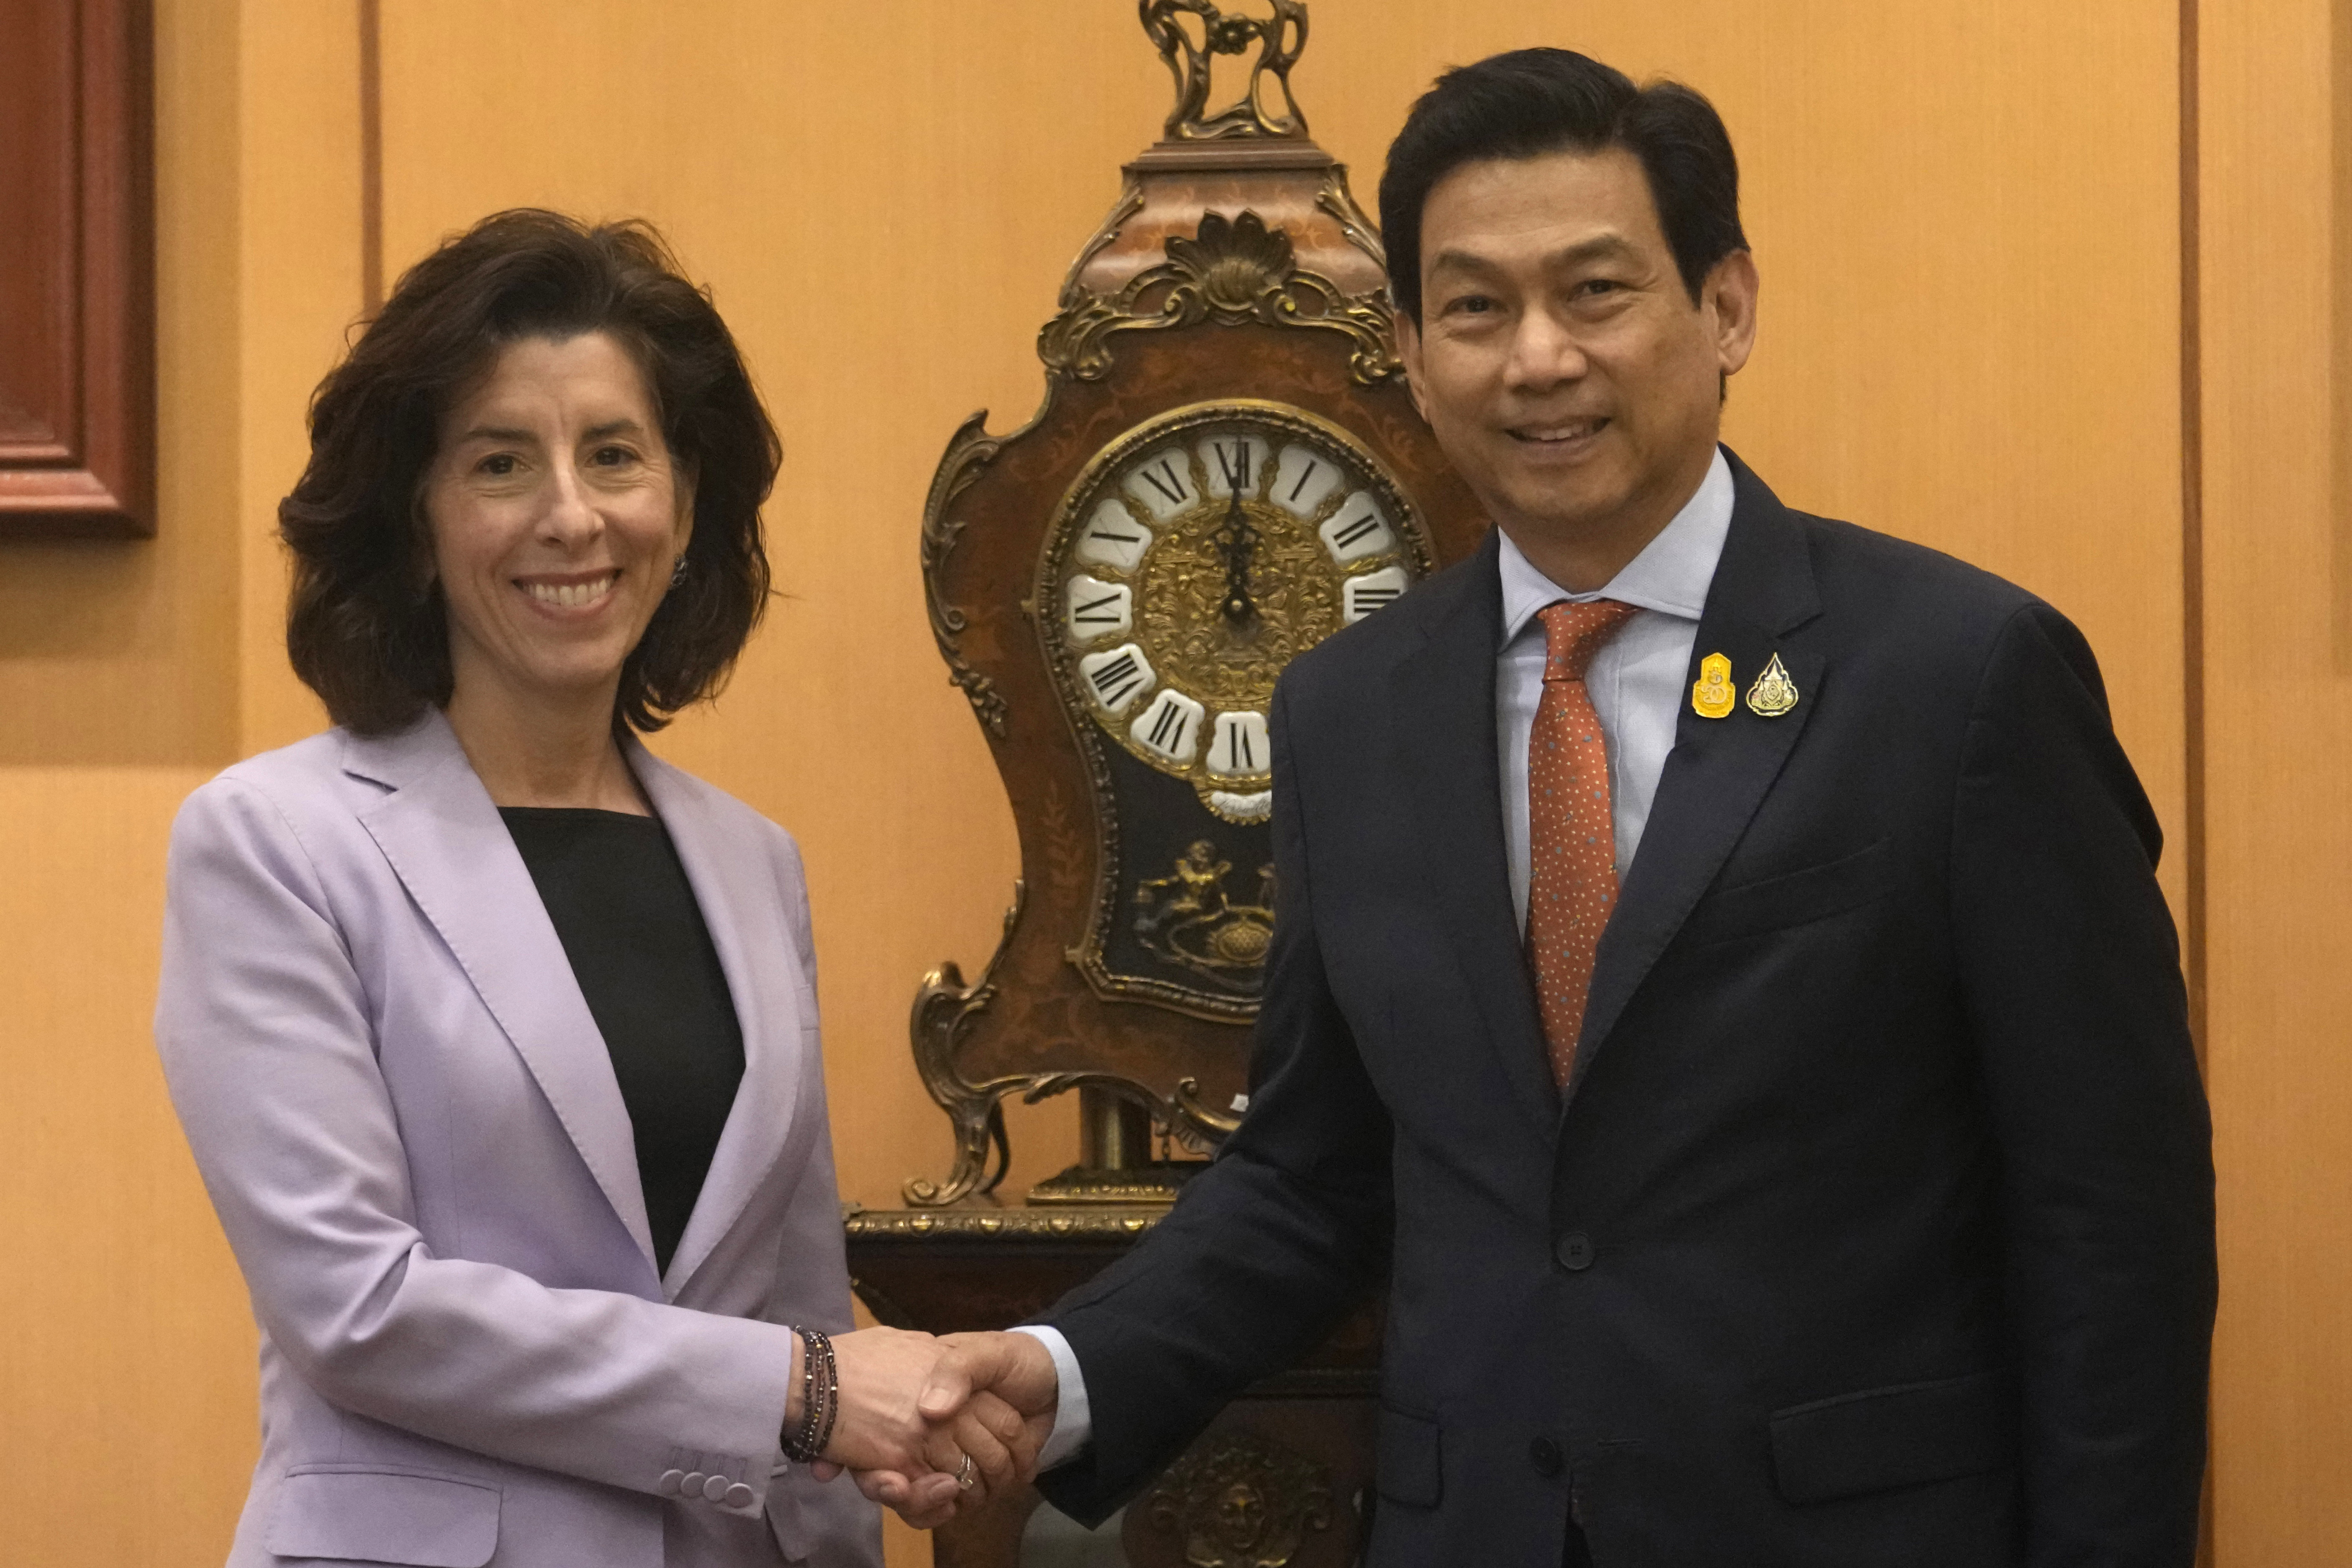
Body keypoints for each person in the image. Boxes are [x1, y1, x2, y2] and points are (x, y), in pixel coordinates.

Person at [879, 49, 2218, 1565]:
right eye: (1473, 307)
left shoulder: (1958, 677)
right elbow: (1315, 1177)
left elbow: (2112, 1224)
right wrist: (1061, 1376)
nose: (1536, 358)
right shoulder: (1348, 712)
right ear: (1407, 345)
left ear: (1724, 308)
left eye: (1595, 292)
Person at [154, 210, 1031, 1568]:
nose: (571, 514)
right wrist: (801, 1398)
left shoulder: (753, 861)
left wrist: (864, 1436)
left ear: (683, 503)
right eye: (502, 463)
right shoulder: (276, 842)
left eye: (614, 454)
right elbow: (356, 1307)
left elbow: (793, 1303)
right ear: (418, 517)